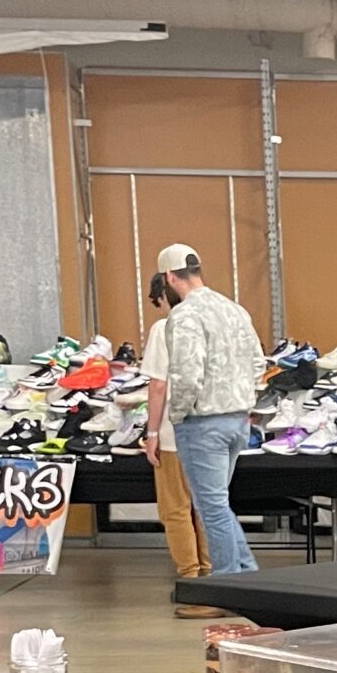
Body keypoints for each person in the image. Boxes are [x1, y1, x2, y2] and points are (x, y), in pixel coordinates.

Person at [142, 242, 265, 588]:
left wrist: (178, 417)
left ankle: (227, 587)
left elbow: (186, 373)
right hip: (237, 420)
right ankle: (249, 578)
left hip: (203, 423)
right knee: (218, 506)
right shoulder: (234, 310)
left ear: (168, 276)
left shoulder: (184, 316)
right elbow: (259, 363)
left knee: (211, 509)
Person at [137, 271, 212, 585]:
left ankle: (190, 576)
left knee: (176, 508)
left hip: (174, 432)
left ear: (165, 296)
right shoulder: (213, 323)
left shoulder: (164, 328)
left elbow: (158, 386)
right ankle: (214, 570)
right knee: (209, 507)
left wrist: (151, 433)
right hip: (212, 430)